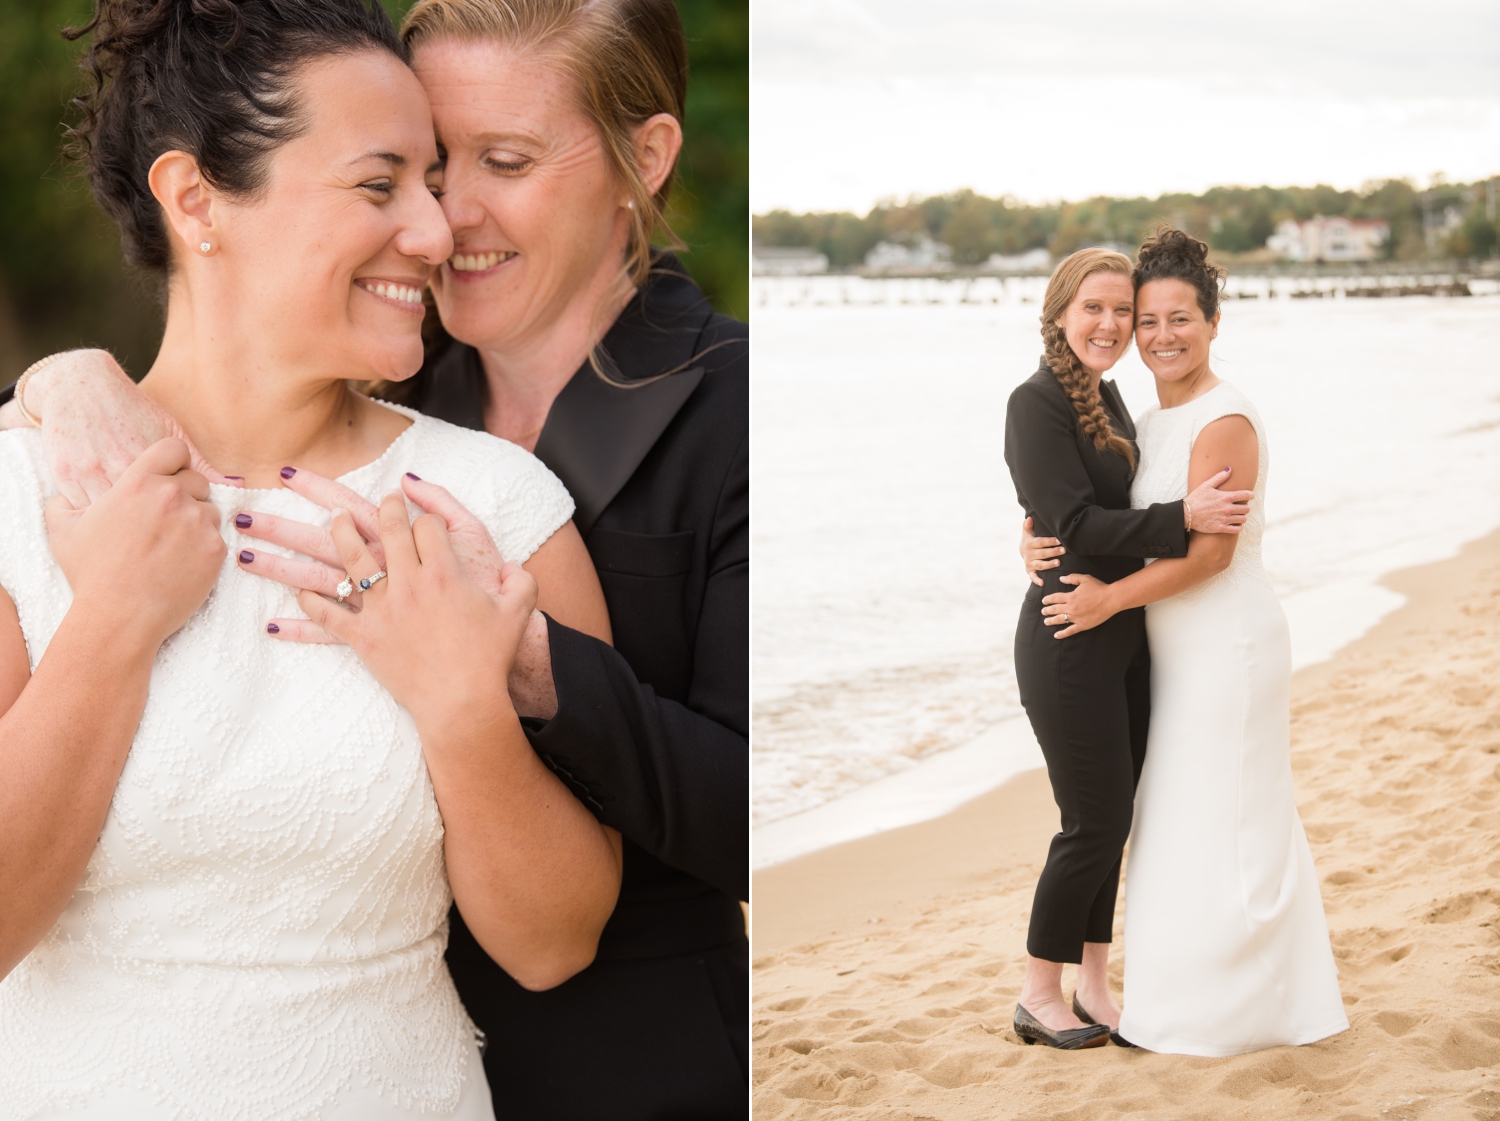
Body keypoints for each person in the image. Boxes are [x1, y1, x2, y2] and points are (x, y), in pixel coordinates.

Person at [1, 0, 748, 1114]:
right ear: (195, 199)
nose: (442, 225)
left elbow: (590, 914)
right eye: (396, 176)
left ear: (646, 157)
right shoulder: (42, 479)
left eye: (492, 163)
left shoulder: (516, 485)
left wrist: (483, 681)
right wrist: (106, 576)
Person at [1029, 228, 1347, 1055]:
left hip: (1226, 642)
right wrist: (1032, 536)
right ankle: (1181, 996)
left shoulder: (1225, 417)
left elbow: (1210, 555)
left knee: (1228, 817)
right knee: (1175, 821)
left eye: (1180, 318)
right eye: (1147, 320)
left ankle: (1240, 1006)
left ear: (1213, 322)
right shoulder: (1143, 417)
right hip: (1167, 647)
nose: (1161, 334)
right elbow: (1098, 512)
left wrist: (1107, 600)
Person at [1001, 246, 1252, 1049]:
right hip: (1070, 628)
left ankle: (1095, 985)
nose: (1111, 325)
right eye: (1095, 309)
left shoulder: (1107, 396)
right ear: (1060, 315)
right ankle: (1039, 989)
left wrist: (1044, 527)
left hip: (1125, 631)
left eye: (1123, 311)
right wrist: (1186, 515)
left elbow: (1076, 511)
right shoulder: (1034, 401)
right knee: (1091, 820)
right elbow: (1073, 525)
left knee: (1118, 816)